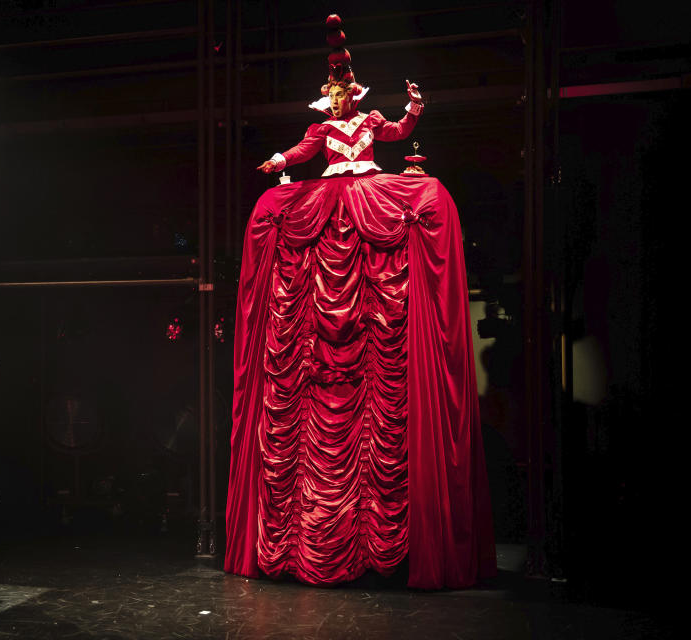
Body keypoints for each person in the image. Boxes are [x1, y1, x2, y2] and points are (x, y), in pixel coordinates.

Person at [225, 14, 496, 589]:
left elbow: (396, 134)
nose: (340, 95)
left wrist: (416, 109)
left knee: (416, 193)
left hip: (367, 184)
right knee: (283, 206)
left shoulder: (373, 120)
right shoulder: (321, 130)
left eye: (345, 85)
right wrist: (278, 161)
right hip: (335, 186)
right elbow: (301, 151)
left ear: (355, 90)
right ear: (329, 95)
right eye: (334, 88)